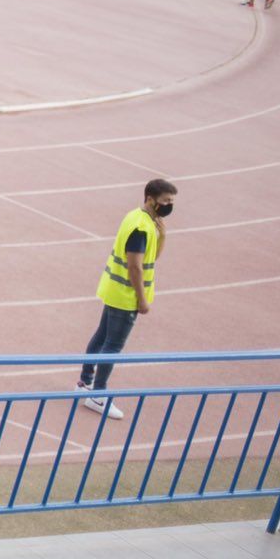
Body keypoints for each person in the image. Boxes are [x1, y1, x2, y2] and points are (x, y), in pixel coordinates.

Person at [77, 179, 177, 420]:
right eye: (165, 201)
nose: (169, 206)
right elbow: (135, 266)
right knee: (112, 345)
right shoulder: (141, 228)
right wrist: (142, 300)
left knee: (101, 336)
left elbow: (151, 257)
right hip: (126, 295)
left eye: (171, 202)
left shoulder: (137, 217)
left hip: (114, 288)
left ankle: (84, 383)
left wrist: (162, 236)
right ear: (150, 199)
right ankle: (98, 395)